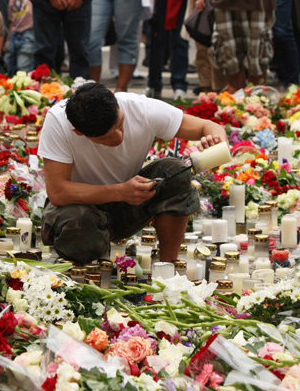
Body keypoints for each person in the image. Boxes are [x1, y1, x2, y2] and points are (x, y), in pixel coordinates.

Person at [38, 82, 227, 265]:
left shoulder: (141, 109)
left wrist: (215, 144)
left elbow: (207, 127)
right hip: (78, 209)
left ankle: (168, 268)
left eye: (120, 123)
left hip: (126, 205)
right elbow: (58, 192)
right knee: (76, 221)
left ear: (114, 99)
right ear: (78, 132)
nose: (119, 137)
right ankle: (87, 276)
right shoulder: (58, 122)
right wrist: (120, 191)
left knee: (175, 171)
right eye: (105, 137)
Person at [1, 0, 34, 76]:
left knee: (23, 65)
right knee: (9, 61)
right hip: (14, 34)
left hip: (28, 34)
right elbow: (11, 22)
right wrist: (8, 40)